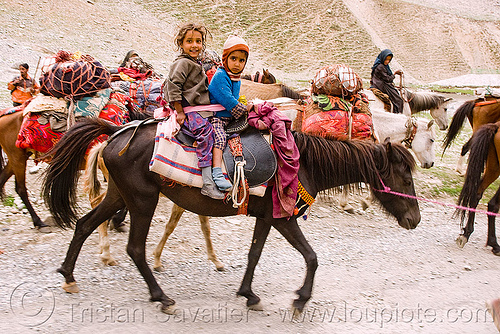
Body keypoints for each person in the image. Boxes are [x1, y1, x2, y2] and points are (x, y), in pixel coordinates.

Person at [163, 23, 225, 200]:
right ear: (181, 43)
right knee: (206, 134)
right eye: (189, 41)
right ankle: (207, 182)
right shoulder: (182, 63)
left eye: (198, 41)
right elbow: (173, 86)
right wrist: (180, 112)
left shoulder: (194, 63)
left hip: (200, 109)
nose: (195, 45)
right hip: (190, 112)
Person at [207, 35, 252, 192]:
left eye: (241, 60)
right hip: (217, 117)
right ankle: (217, 172)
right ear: (225, 58)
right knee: (219, 138)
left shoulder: (236, 78)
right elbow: (227, 99)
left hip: (229, 117)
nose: (237, 64)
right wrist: (244, 109)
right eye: (233, 58)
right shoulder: (220, 76)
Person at [370, 49, 404, 114]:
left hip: (380, 83)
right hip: (381, 85)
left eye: (389, 60)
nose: (387, 61)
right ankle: (398, 115)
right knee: (398, 100)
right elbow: (388, 79)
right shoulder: (380, 67)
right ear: (383, 58)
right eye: (386, 59)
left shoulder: (384, 66)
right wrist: (395, 74)